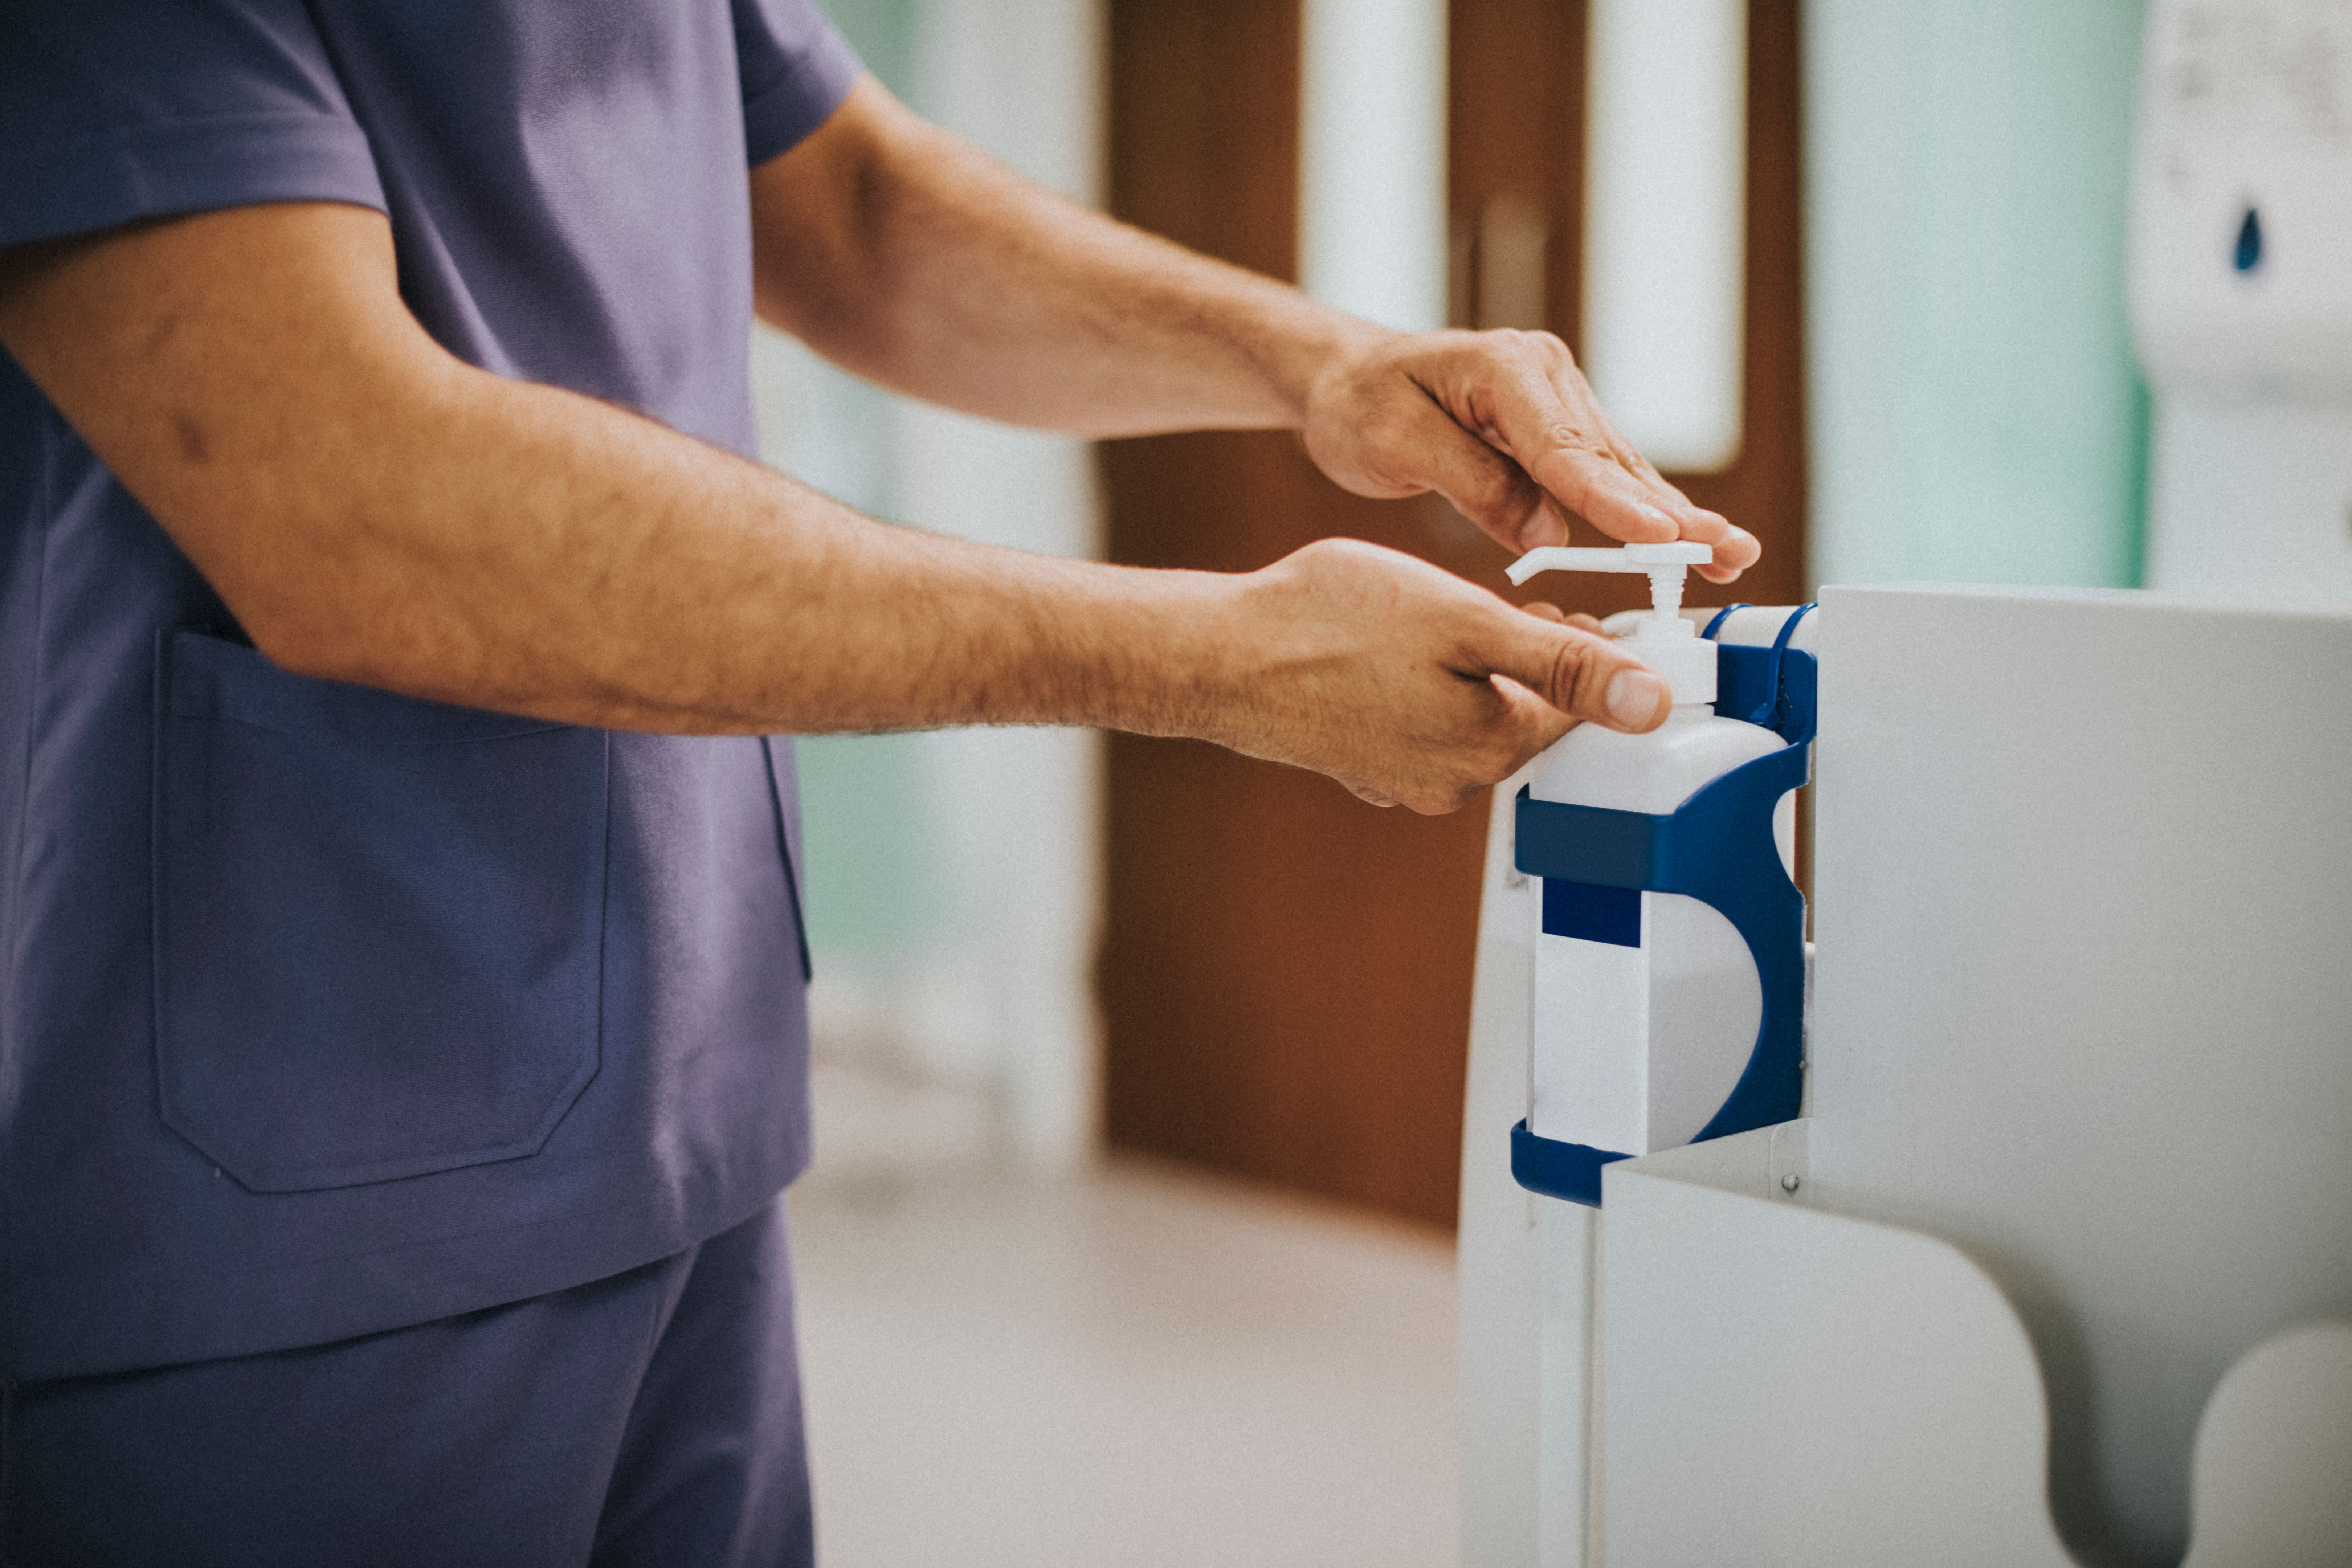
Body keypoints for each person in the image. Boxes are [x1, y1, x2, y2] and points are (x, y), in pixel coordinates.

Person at [0, 1, 1756, 1561]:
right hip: (291, 1136)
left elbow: (849, 204)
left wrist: (1320, 365)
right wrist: (1215, 660)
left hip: (679, 1090)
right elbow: (346, 498)